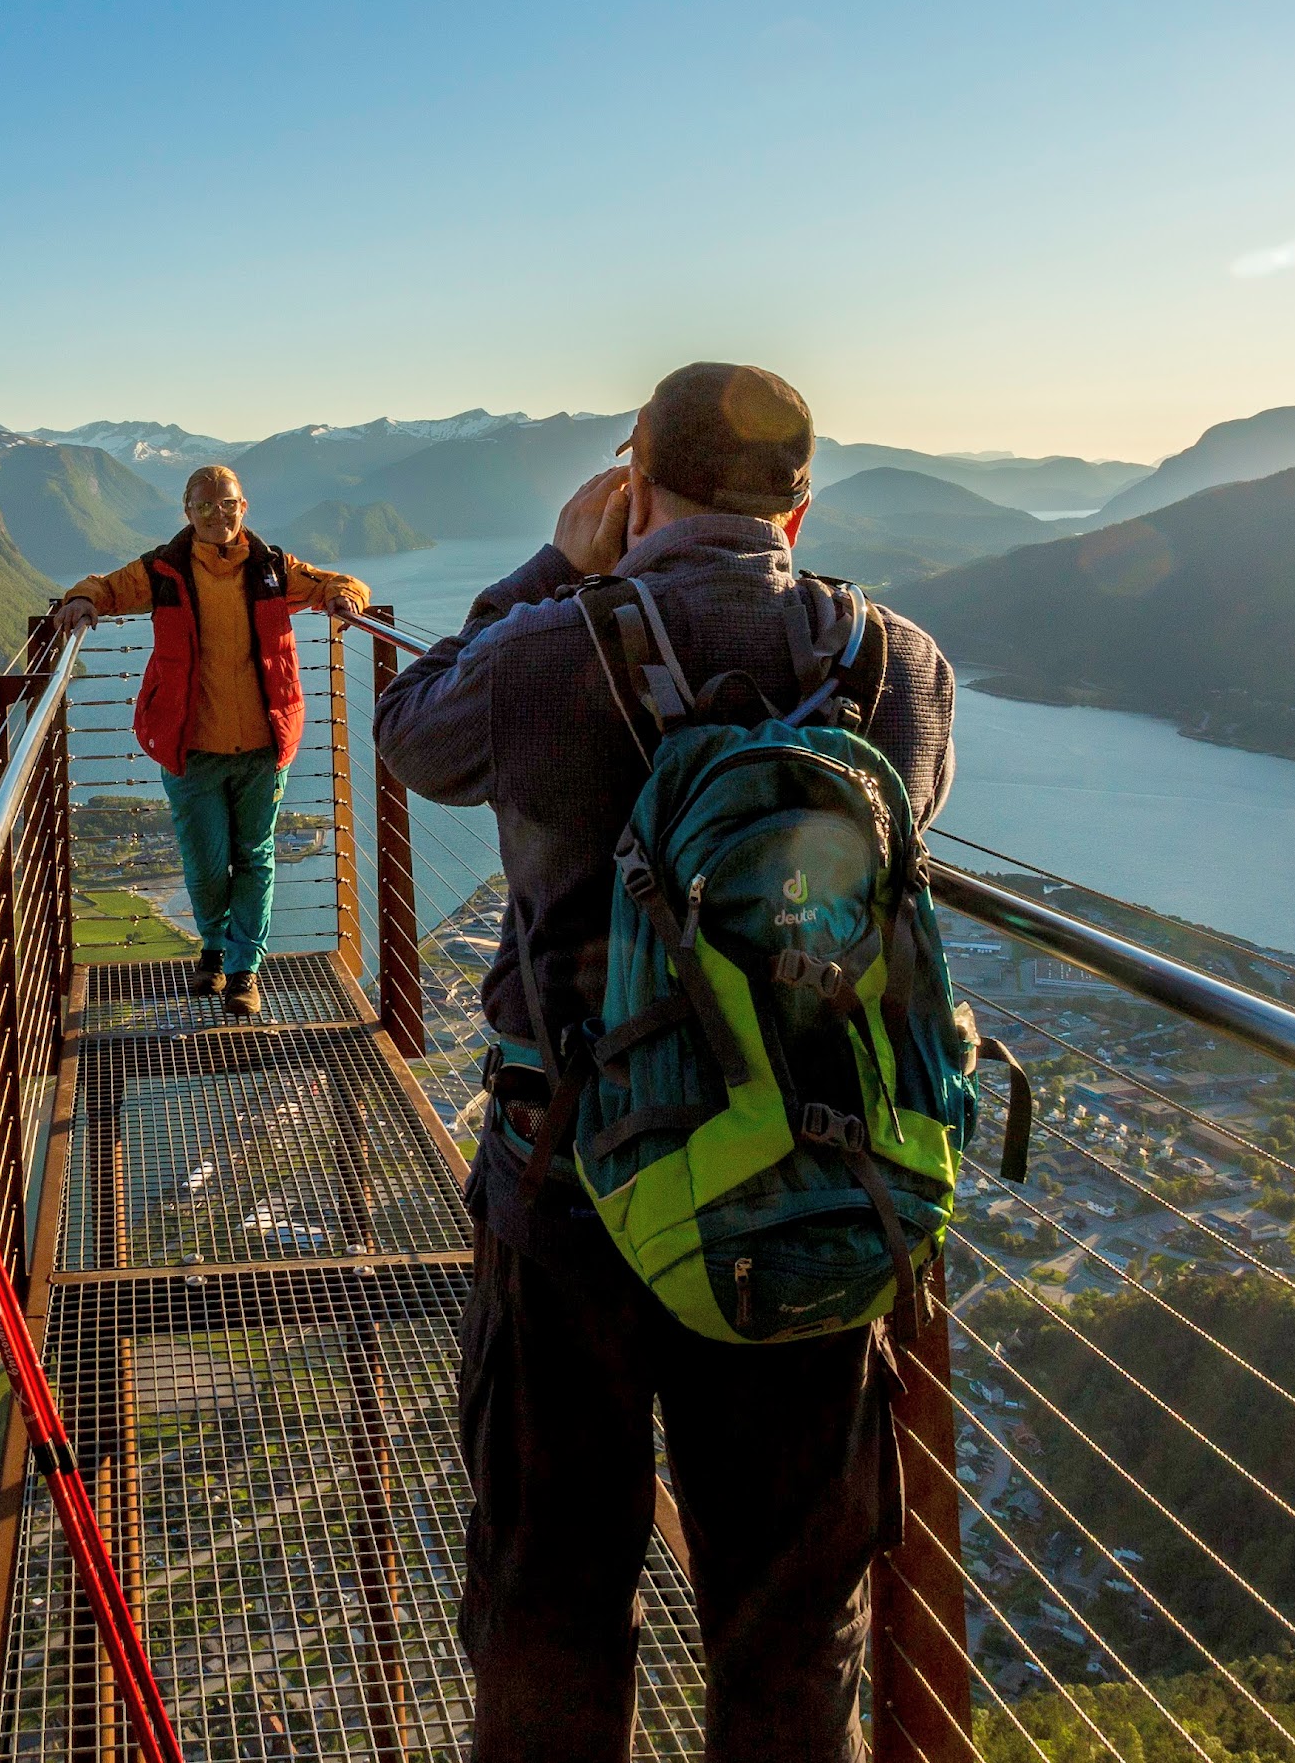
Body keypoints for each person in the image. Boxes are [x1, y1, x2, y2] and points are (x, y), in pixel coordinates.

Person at [374, 362, 958, 1763]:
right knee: (788, 1621)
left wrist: (548, 568)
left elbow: (411, 736)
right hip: (806, 1180)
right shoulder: (901, 669)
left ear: (636, 488)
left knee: (551, 1593)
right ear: (800, 512)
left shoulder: (550, 650)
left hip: (571, 1173)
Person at [52, 465, 372, 1017]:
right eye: (206, 507)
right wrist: (80, 600)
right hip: (191, 747)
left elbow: (338, 584)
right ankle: (213, 948)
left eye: (228, 505)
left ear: (243, 507)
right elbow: (104, 588)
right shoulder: (163, 570)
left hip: (263, 746)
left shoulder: (273, 568)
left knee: (256, 858)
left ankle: (243, 968)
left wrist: (347, 597)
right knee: (203, 864)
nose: (218, 516)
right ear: (188, 512)